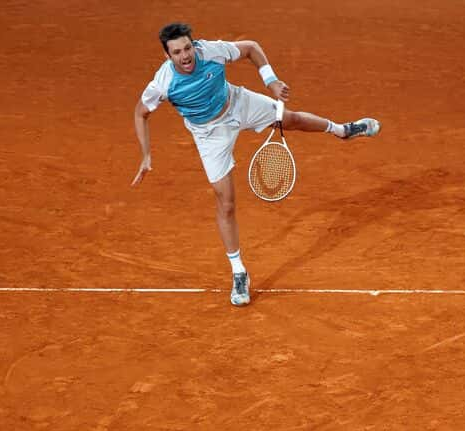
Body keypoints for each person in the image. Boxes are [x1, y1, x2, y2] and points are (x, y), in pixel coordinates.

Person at [131, 22, 380, 306]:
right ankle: (239, 273)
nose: (185, 56)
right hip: (209, 134)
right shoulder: (163, 83)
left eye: (188, 48)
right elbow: (141, 114)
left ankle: (343, 130)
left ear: (194, 45)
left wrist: (270, 80)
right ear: (167, 56)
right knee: (225, 203)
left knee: (293, 119)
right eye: (177, 52)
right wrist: (146, 155)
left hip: (237, 103)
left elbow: (250, 48)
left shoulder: (209, 51)